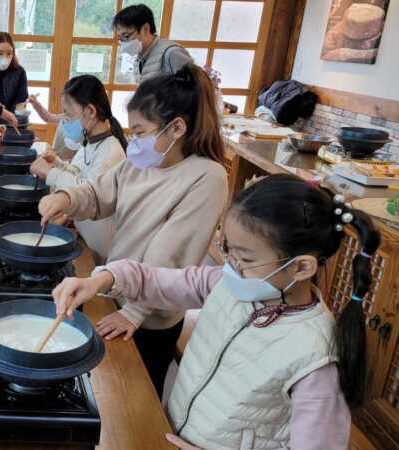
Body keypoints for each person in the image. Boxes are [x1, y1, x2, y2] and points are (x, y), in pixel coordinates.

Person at [52, 174, 378, 450]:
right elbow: (158, 280)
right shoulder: (230, 284)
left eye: (245, 259)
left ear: (301, 267)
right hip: (173, 431)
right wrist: (102, 280)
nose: (231, 266)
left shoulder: (316, 358)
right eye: (228, 251)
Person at [38, 64, 229, 398]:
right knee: (109, 388)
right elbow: (98, 193)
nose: (134, 141)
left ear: (177, 128)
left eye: (140, 132)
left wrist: (135, 311)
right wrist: (66, 198)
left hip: (151, 315)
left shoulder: (207, 177)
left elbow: (171, 254)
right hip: (114, 288)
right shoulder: (140, 164)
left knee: (138, 399)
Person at [29, 75, 126, 264]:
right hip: (87, 241)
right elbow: (78, 173)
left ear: (90, 110)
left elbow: (89, 192)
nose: (65, 121)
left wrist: (51, 173)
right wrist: (57, 163)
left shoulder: (111, 151)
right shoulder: (89, 143)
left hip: (105, 254)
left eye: (68, 114)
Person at [113, 4, 193, 83]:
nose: (123, 43)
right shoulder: (139, 57)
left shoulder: (172, 53)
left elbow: (195, 89)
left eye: (126, 36)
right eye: (120, 38)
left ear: (145, 29)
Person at [26, 94, 81, 161]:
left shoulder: (83, 121)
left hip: (73, 161)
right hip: (56, 157)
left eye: (67, 104)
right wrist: (36, 104)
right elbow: (47, 117)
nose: (64, 108)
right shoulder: (63, 117)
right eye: (63, 105)